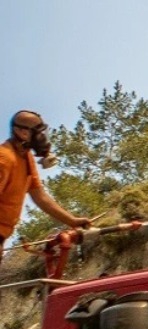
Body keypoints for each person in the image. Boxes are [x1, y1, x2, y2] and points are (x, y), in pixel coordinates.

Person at [0, 110, 90, 257]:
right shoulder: (4, 159)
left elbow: (39, 195)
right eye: (38, 132)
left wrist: (72, 221)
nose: (42, 137)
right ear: (22, 132)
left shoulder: (25, 157)